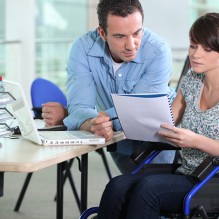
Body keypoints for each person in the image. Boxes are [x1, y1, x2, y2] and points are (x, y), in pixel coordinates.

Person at [96, 12, 219, 219]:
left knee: (148, 189)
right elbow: (168, 123)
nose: (195, 54)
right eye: (193, 46)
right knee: (117, 186)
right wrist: (136, 116)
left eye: (206, 49)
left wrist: (196, 141)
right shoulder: (192, 80)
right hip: (192, 173)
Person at [41, 0, 176, 174]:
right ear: (102, 33)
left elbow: (138, 110)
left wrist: (80, 117)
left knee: (152, 191)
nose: (131, 45)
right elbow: (80, 105)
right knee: (126, 191)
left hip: (158, 136)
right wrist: (92, 123)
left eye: (137, 33)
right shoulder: (82, 48)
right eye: (120, 37)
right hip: (117, 139)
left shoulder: (158, 50)